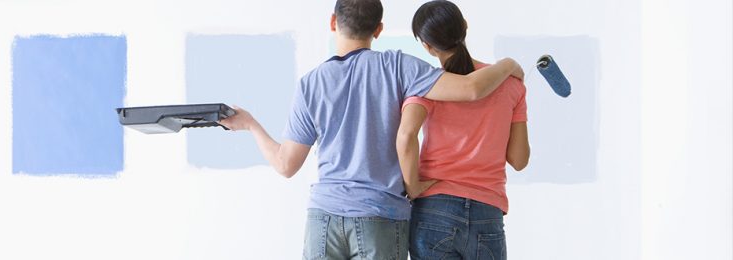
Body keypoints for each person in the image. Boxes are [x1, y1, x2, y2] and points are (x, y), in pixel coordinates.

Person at [217, 0, 524, 259]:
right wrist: (509, 65)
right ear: (379, 29)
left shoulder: (311, 83)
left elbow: (286, 165)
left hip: (324, 216)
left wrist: (250, 125)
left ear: (333, 22)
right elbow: (471, 88)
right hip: (382, 216)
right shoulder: (400, 68)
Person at [395, 1, 530, 259]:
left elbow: (405, 136)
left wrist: (413, 187)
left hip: (433, 208)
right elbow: (519, 160)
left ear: (426, 45)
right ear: (465, 26)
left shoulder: (427, 85)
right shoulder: (512, 85)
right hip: (487, 211)